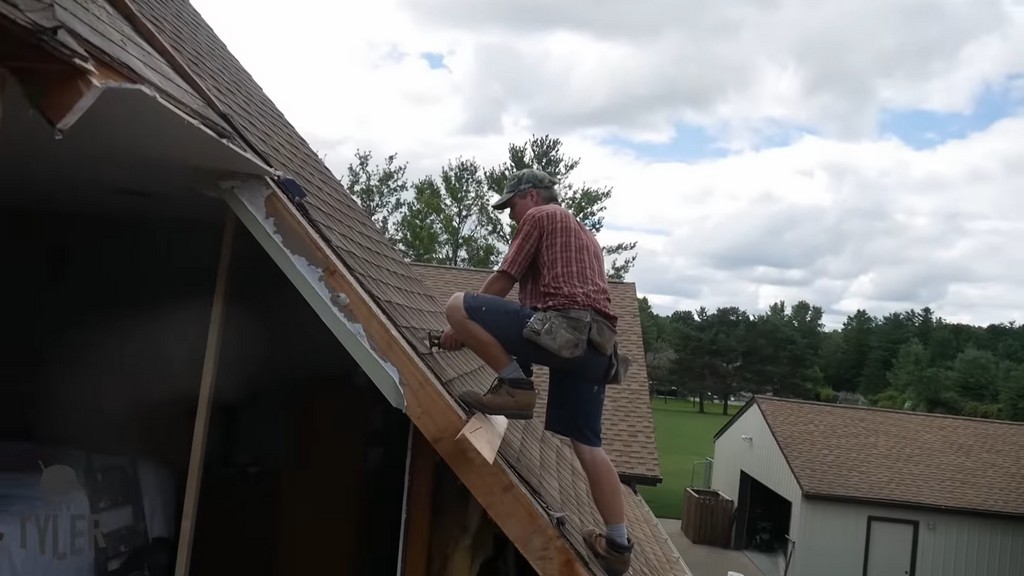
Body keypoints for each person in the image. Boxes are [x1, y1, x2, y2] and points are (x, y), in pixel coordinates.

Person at [439, 168, 634, 575]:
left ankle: (515, 387)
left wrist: (458, 325)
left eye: (511, 206)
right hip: (597, 349)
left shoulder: (541, 217)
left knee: (459, 303)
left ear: (529, 196)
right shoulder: (585, 235)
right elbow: (530, 318)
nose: (511, 215)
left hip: (566, 331)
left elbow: (503, 279)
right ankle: (618, 545)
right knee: (588, 446)